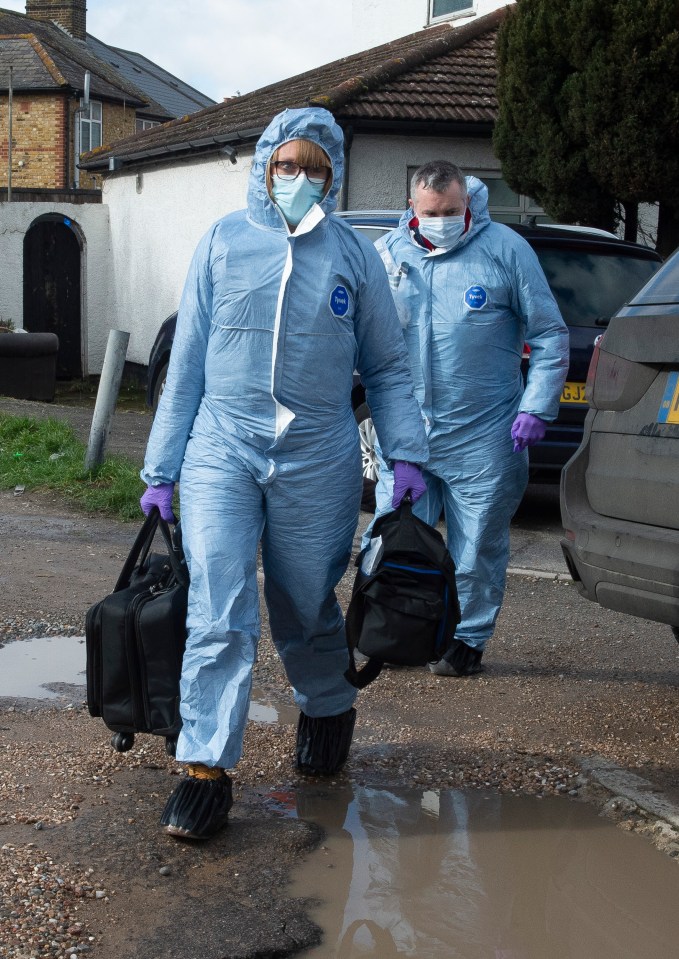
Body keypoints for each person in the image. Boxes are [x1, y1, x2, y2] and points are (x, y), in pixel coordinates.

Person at [139, 107, 428, 841]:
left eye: (315, 169)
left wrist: (407, 454)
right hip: (221, 449)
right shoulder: (222, 244)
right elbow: (187, 366)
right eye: (286, 166)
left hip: (316, 454)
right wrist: (161, 467)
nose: (299, 180)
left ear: (332, 177)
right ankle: (205, 770)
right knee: (220, 604)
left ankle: (328, 706)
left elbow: (389, 367)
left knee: (303, 601)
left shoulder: (352, 257)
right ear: (264, 167)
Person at [368, 161, 568, 678]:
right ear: (412, 207)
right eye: (432, 212)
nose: (442, 220)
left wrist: (536, 406)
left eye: (452, 211)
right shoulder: (388, 256)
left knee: (476, 546)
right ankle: (395, 626)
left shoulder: (504, 250)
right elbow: (361, 341)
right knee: (393, 537)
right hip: (408, 434)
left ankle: (467, 638)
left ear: (468, 204)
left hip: (485, 433)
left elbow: (548, 333)